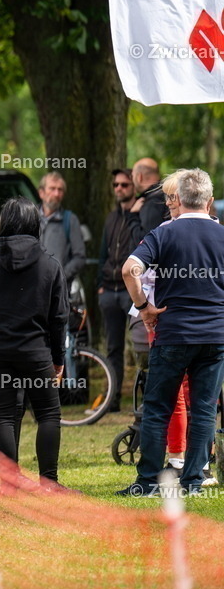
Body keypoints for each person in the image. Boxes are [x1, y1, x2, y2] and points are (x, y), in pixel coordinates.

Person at [117, 168, 224, 496]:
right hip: (215, 336)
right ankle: (193, 482)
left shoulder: (164, 233)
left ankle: (148, 480)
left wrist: (144, 306)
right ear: (209, 202)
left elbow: (129, 269)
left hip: (173, 333)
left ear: (178, 199)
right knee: (204, 408)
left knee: (158, 407)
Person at [0, 197, 69, 491]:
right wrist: (59, 358)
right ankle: (49, 482)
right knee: (49, 414)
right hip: (36, 352)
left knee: (4, 415)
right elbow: (59, 317)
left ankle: (9, 484)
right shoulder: (50, 264)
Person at [98, 168, 146, 412]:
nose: (119, 189)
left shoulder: (141, 216)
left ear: (134, 187)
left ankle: (146, 399)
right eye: (116, 185)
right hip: (109, 290)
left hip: (132, 289)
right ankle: (112, 399)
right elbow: (102, 253)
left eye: (124, 185)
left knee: (143, 344)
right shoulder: (111, 218)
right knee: (113, 348)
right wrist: (100, 286)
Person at [37, 172, 85, 284]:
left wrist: (61, 275)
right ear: (41, 193)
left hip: (58, 290)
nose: (56, 194)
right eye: (52, 189)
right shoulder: (30, 218)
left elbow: (80, 257)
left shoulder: (70, 220)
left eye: (60, 190)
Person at [129, 157, 169, 235]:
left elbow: (144, 240)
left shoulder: (152, 203)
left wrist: (132, 216)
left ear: (139, 177)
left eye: (132, 176)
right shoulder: (166, 195)